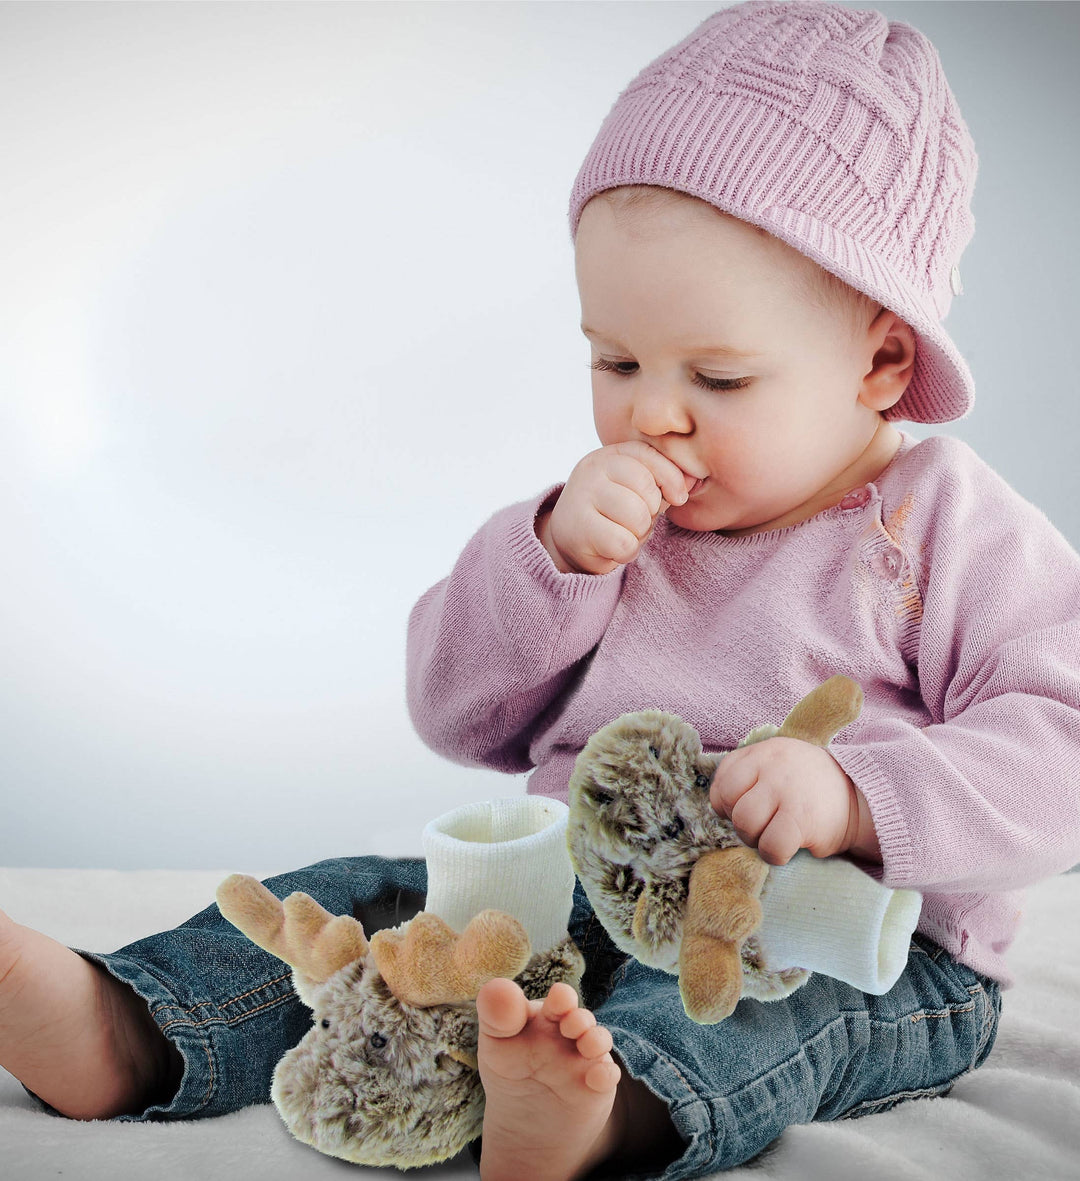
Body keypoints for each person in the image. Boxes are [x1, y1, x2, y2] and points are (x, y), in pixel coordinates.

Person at [2, 3, 1079, 1179]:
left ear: (879, 361)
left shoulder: (945, 530)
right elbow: (456, 713)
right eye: (615, 361)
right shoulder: (603, 522)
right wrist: (555, 562)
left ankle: (606, 1112)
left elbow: (1061, 741)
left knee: (762, 1014)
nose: (650, 412)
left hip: (838, 942)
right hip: (573, 894)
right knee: (366, 902)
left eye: (716, 375)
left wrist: (861, 794)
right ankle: (137, 1024)